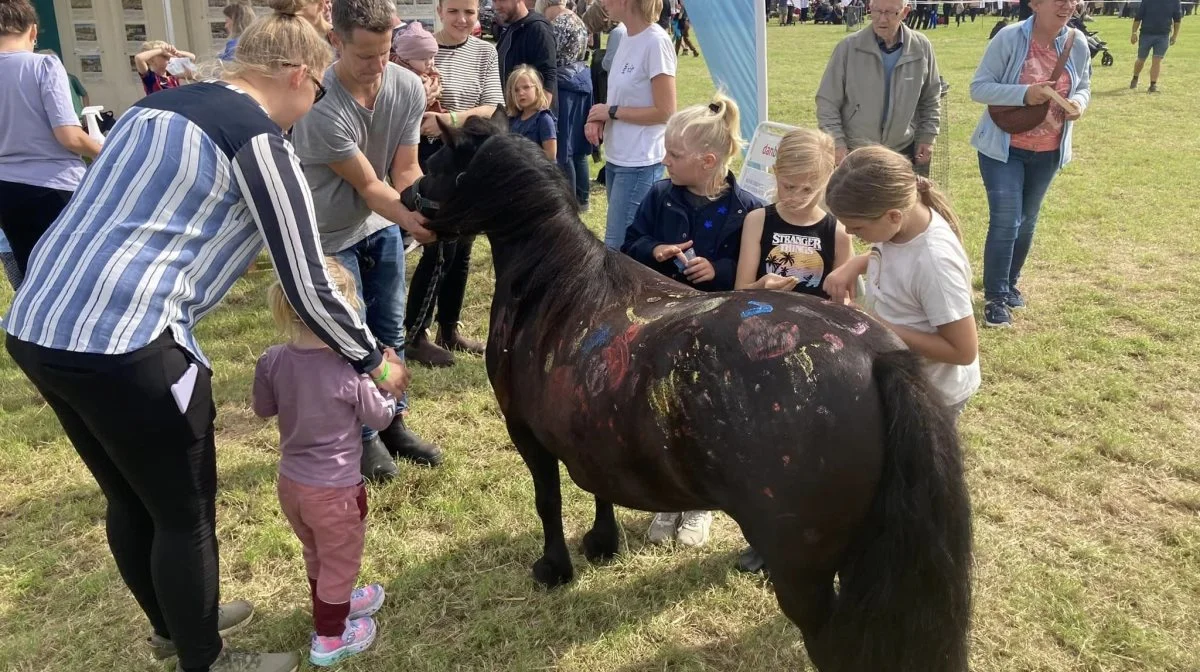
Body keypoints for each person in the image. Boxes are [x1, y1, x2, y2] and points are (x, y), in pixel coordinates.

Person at [4, 2, 409, 670]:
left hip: (39, 327)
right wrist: (373, 361)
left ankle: (175, 624)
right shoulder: (258, 139)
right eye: (316, 89)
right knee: (183, 514)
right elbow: (308, 280)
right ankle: (206, 658)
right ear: (295, 72)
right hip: (128, 343)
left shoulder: (156, 108)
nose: (312, 107)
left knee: (131, 497)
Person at [291, 0, 443, 481]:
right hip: (328, 235)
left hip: (379, 228)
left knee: (391, 329)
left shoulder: (405, 87)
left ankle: (394, 423)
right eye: (365, 56)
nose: (378, 66)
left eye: (385, 53)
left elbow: (403, 171)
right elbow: (369, 185)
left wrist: (424, 209)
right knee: (352, 339)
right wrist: (411, 221)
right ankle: (363, 438)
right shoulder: (318, 103)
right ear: (336, 41)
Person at [621, 94, 766, 548]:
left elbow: (754, 269)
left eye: (673, 154)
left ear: (707, 161)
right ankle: (668, 496)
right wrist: (654, 251)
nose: (663, 160)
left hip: (716, 331)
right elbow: (630, 243)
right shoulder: (660, 195)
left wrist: (718, 271)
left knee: (705, 412)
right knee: (661, 409)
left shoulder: (750, 209)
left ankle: (701, 501)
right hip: (661, 324)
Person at [252, 260, 390, 667]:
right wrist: (388, 383)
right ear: (345, 312)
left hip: (291, 484)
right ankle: (330, 636)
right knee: (341, 560)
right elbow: (379, 419)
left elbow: (263, 408)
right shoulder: (350, 370)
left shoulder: (272, 359)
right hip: (336, 492)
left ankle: (336, 603)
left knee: (316, 552)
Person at [822, 146, 980, 421]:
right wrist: (855, 264)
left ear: (893, 215)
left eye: (857, 228)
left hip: (932, 394)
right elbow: (892, 254)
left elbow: (963, 350)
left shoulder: (935, 263)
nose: (848, 232)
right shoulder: (898, 226)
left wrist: (878, 326)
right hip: (904, 376)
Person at [969, 0, 1090, 327]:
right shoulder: (1009, 38)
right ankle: (995, 297)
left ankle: (1009, 285)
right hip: (1003, 149)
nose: (1068, 5)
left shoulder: (1076, 42)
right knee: (1007, 220)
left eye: (1073, 0)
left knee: (1027, 220)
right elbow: (979, 88)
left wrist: (1078, 102)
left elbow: (1083, 86)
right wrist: (1025, 94)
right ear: (1035, 3)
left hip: (1048, 150)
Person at [403, 0, 502, 368]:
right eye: (455, 10)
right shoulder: (420, 47)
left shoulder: (484, 52)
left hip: (468, 159)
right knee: (436, 246)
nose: (462, 19)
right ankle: (415, 333)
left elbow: (491, 105)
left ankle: (448, 328)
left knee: (463, 248)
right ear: (440, 10)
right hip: (431, 161)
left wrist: (450, 119)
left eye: (470, 12)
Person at [0, 0, 101, 277]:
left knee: (34, 275)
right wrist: (105, 151)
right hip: (54, 184)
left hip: (7, 188)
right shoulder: (44, 64)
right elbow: (68, 135)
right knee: (75, 273)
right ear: (33, 31)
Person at [586, 0, 677, 250]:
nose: (602, 3)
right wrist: (600, 117)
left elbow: (666, 111)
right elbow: (621, 95)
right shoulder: (625, 35)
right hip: (618, 157)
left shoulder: (656, 42)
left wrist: (612, 112)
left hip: (640, 161)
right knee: (619, 247)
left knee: (619, 250)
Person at [816, 0, 942, 176]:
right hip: (856, 152)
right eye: (876, 11)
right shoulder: (848, 48)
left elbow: (930, 97)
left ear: (905, 12)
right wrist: (837, 142)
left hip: (901, 151)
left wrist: (928, 136)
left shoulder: (921, 46)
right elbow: (827, 102)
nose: (882, 19)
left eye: (891, 13)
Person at [734, 128, 852, 297]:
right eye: (789, 187)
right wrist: (761, 286)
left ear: (827, 179)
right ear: (776, 172)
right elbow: (739, 292)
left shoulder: (838, 233)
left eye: (807, 190)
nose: (795, 197)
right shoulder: (757, 221)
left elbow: (842, 303)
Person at [543, 0, 594, 208]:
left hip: (564, 86)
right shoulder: (577, 19)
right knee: (579, 147)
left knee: (564, 147)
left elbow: (550, 56)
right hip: (581, 79)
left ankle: (570, 202)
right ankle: (583, 198)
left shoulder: (556, 23)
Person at [494, 0, 558, 104]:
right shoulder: (509, 31)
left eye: (502, 0)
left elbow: (548, 77)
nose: (496, 6)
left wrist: (540, 117)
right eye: (494, 1)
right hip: (510, 115)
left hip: (530, 117)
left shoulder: (538, 29)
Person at [390, 21, 447, 114]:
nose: (429, 62)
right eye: (422, 59)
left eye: (432, 57)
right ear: (406, 59)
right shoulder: (402, 74)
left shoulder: (425, 70)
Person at [1129, 0, 1182, 93]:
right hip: (1146, 34)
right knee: (1141, 59)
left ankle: (1153, 85)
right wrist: (1134, 33)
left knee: (1157, 60)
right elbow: (1138, 17)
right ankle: (1135, 77)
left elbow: (1177, 19)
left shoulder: (1174, 1)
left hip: (1163, 35)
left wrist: (1174, 35)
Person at [507, 65, 558, 160]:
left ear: (537, 89)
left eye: (526, 87)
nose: (521, 93)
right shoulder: (513, 120)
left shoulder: (544, 119)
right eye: (516, 90)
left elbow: (551, 155)